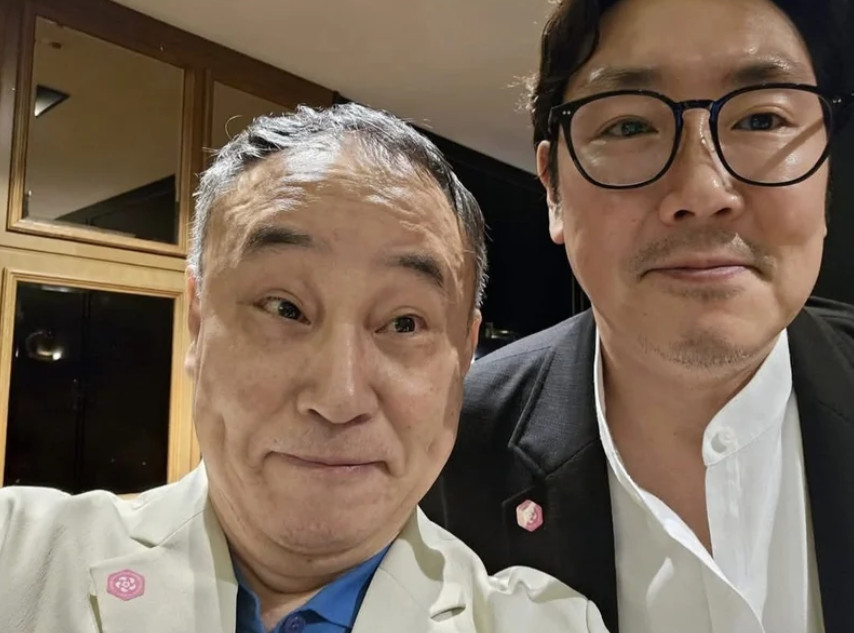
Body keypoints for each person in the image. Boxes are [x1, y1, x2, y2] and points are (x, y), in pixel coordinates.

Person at [0, 104, 608, 633]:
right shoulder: (19, 556)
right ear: (198, 323)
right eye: (284, 309)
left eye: (404, 323)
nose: (340, 397)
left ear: (464, 357)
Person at [423, 0, 854, 632]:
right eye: (628, 127)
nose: (702, 192)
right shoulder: (441, 448)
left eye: (762, 119)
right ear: (553, 190)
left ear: (826, 174)